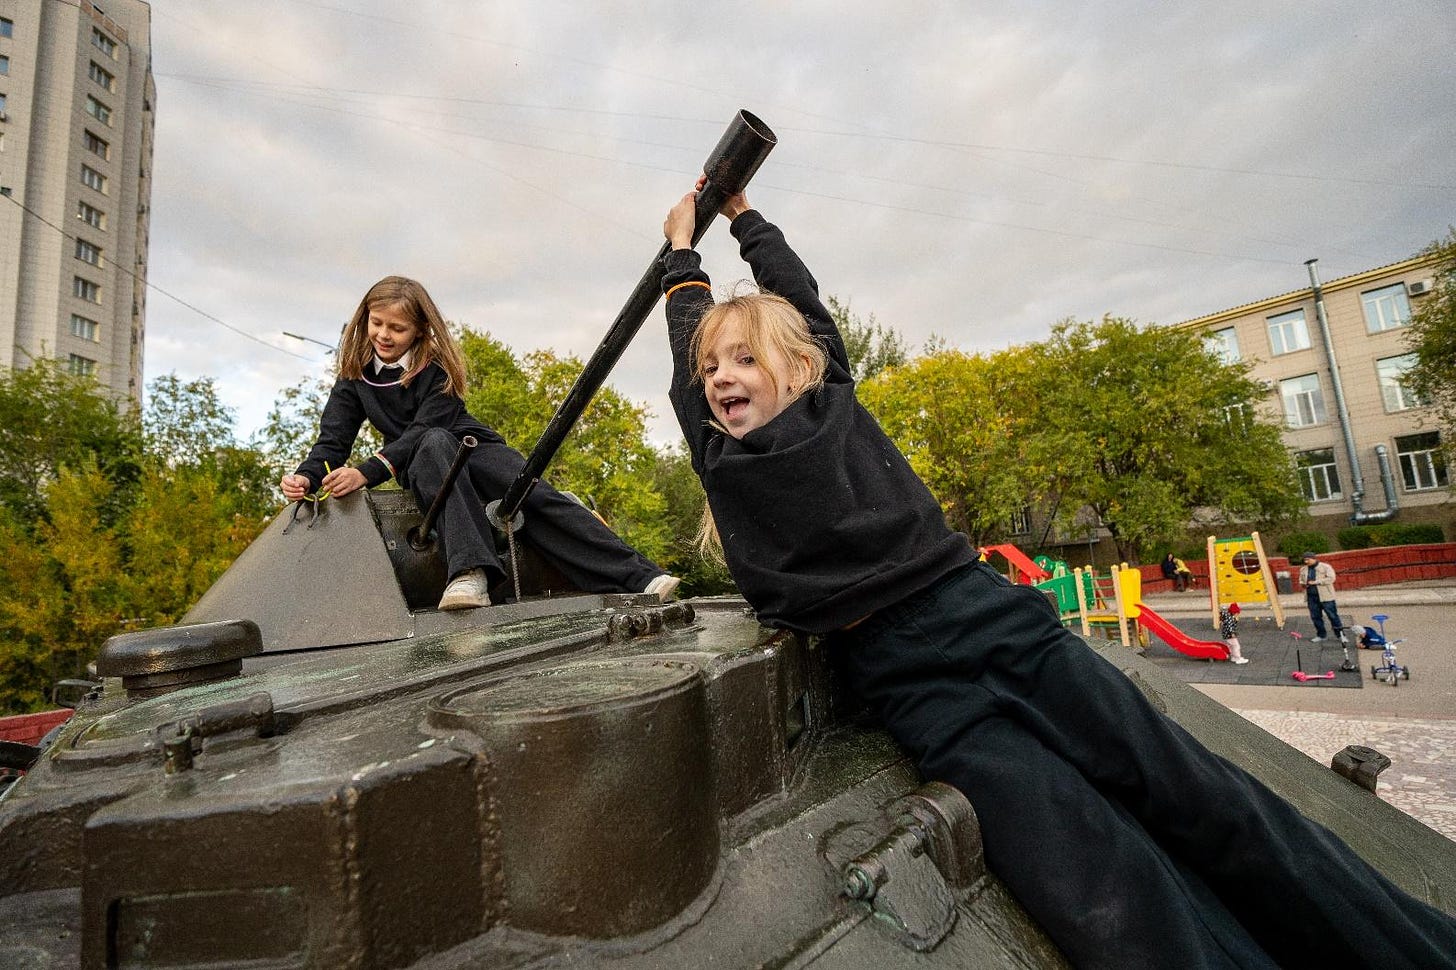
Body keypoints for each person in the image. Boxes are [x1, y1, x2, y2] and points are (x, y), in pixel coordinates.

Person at [658, 182, 1456, 969]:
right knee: (1098, 879)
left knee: (1198, 797)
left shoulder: (831, 398)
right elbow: (684, 346)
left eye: (743, 358)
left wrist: (743, 220)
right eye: (712, 367)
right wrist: (681, 262)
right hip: (912, 687)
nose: (722, 376)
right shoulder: (721, 459)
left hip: (986, 620)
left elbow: (797, 295)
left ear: (795, 364)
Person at [280, 275, 678, 610]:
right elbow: (332, 441)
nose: (384, 334)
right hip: (423, 463)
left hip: (473, 445)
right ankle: (470, 574)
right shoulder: (355, 377)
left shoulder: (433, 368)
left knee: (532, 495)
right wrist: (307, 478)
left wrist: (368, 472)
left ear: (419, 330)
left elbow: (426, 425)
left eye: (396, 328)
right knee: (433, 447)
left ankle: (642, 576)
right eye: (377, 323)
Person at [1299, 550, 1344, 643]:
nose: (1306, 562)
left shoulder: (1325, 567)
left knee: (1333, 616)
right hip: (1311, 597)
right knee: (1315, 617)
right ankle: (1321, 635)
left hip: (1326, 597)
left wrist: (1316, 582)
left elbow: (1331, 578)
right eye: (1304, 560)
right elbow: (1301, 580)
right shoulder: (1303, 569)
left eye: (1308, 559)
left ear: (1314, 558)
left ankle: (1340, 635)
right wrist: (1303, 584)